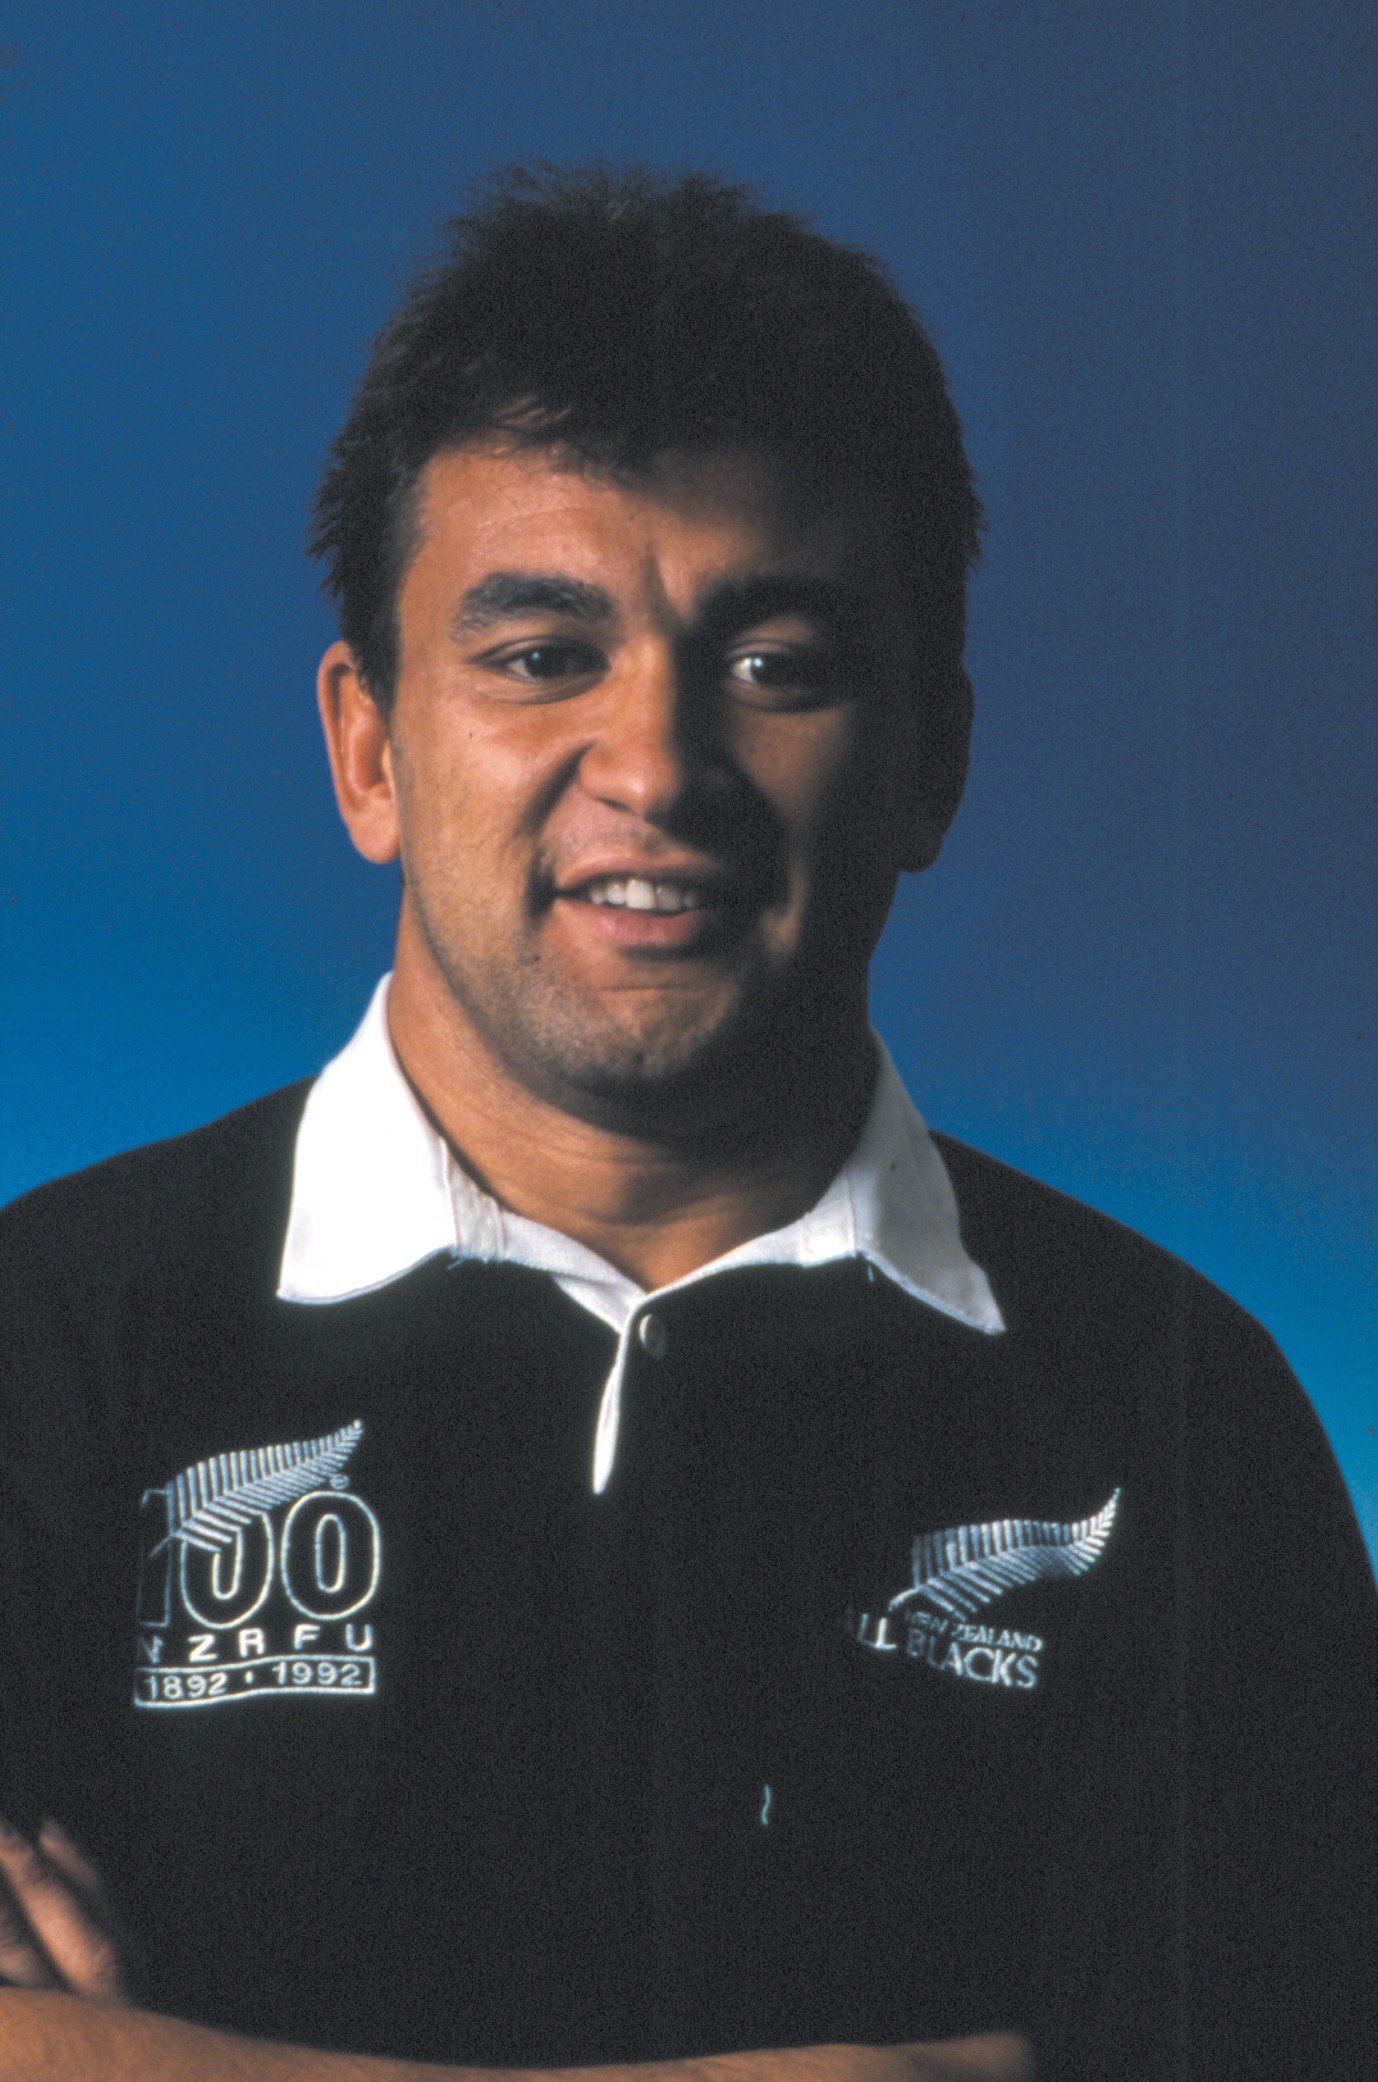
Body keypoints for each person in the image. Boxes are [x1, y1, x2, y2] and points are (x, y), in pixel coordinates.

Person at [0, 166, 1372, 2082]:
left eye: (772, 666)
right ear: (369, 747)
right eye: (539, 654)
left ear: (930, 758)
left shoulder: (1174, 1416)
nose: (653, 766)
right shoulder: (39, 1351)